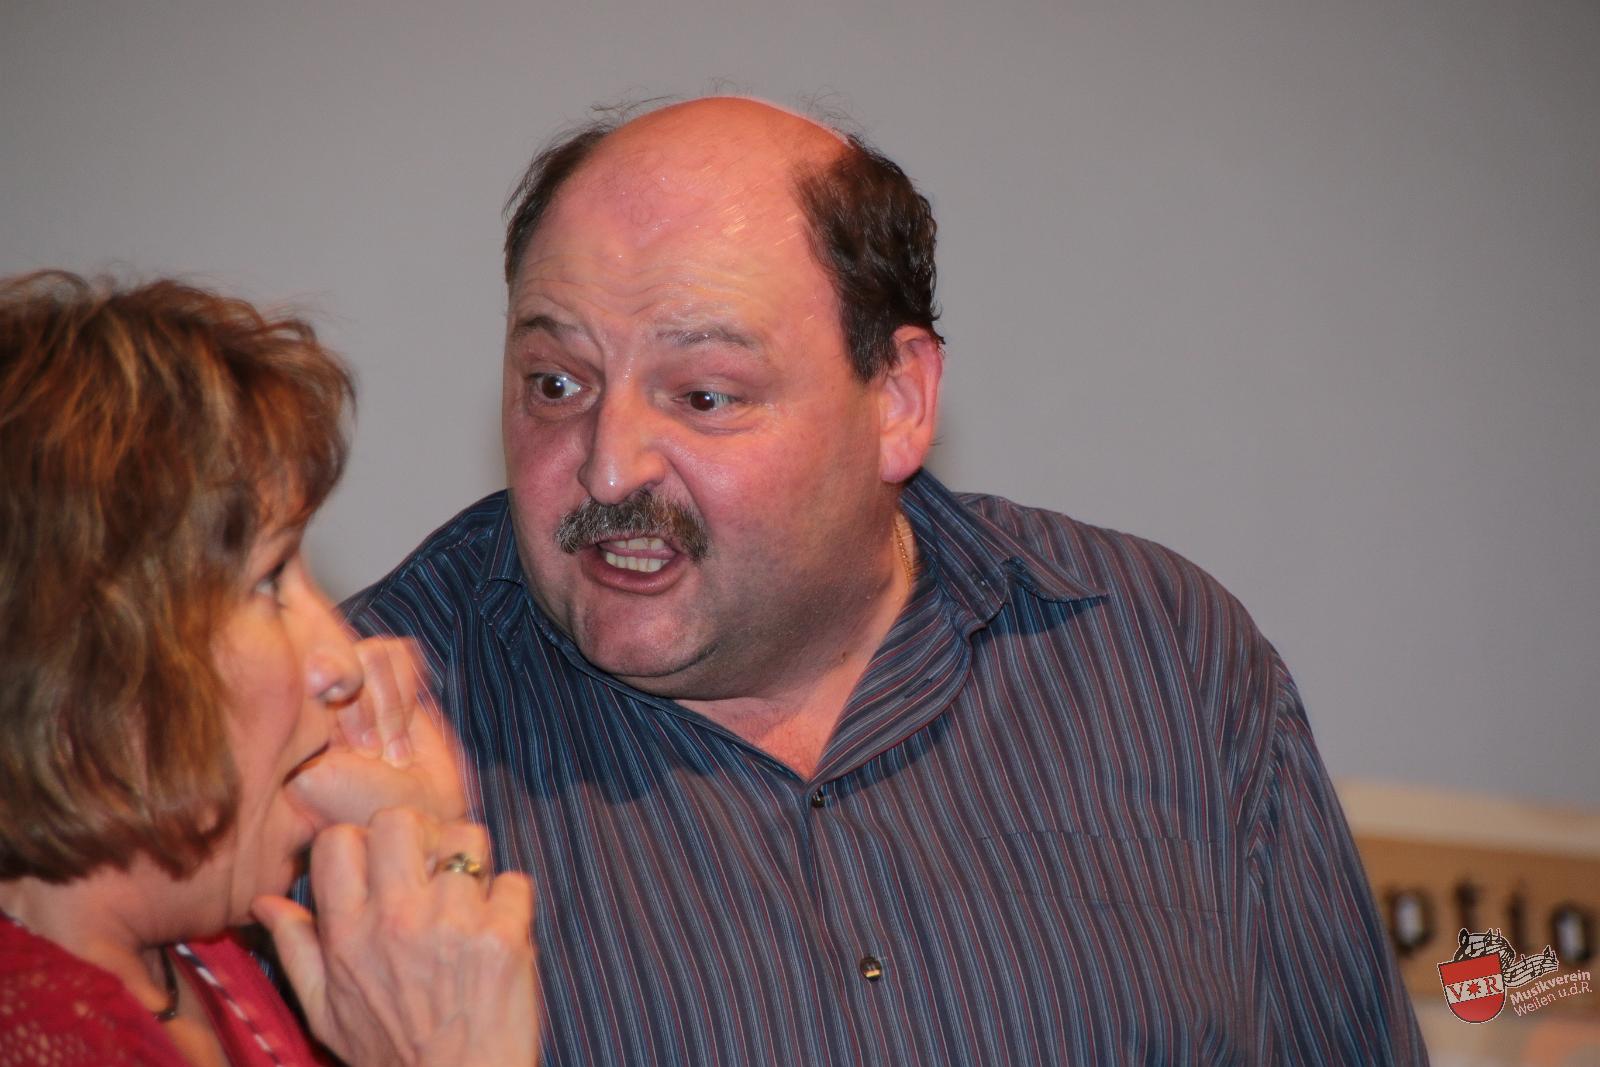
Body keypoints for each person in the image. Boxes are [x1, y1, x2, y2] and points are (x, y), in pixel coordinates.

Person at [345, 97, 1426, 1064]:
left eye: (705, 395)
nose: (609, 465)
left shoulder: (1162, 654)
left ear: (898, 401)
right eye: (556, 382)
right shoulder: (357, 728)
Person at [0, 271, 538, 1066]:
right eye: (269, 582)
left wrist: (419, 844)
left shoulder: (194, 954)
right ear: (83, 656)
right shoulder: (36, 1032)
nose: (339, 659)